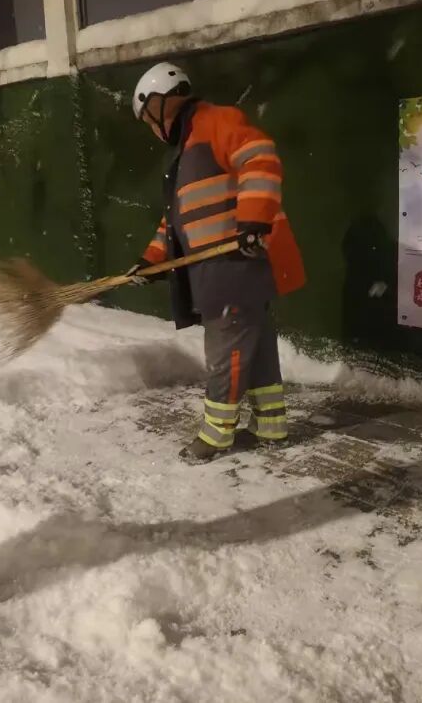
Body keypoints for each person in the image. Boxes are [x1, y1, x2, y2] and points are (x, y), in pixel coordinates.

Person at [127, 62, 306, 463]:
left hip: (232, 269)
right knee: (256, 349)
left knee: (226, 354)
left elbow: (259, 156)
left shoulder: (214, 123)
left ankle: (215, 436)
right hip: (229, 270)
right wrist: (149, 261)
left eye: (149, 120)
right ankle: (271, 424)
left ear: (158, 104)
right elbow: (176, 223)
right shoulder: (187, 152)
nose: (152, 129)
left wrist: (253, 220)